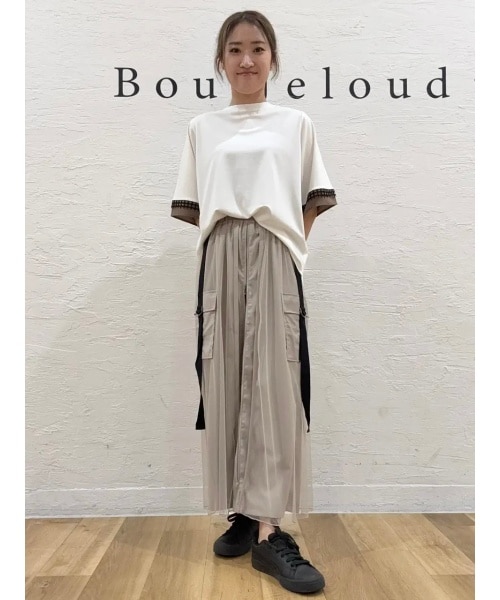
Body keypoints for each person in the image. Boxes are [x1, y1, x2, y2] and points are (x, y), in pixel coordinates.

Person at [171, 10, 337, 595]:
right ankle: (241, 511)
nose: (246, 59)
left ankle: (270, 531)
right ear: (220, 61)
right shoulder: (203, 128)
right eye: (235, 49)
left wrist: (288, 247)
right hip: (220, 253)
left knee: (273, 385)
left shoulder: (295, 124)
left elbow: (313, 200)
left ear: (273, 59)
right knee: (222, 380)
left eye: (258, 48)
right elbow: (194, 206)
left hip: (273, 254)